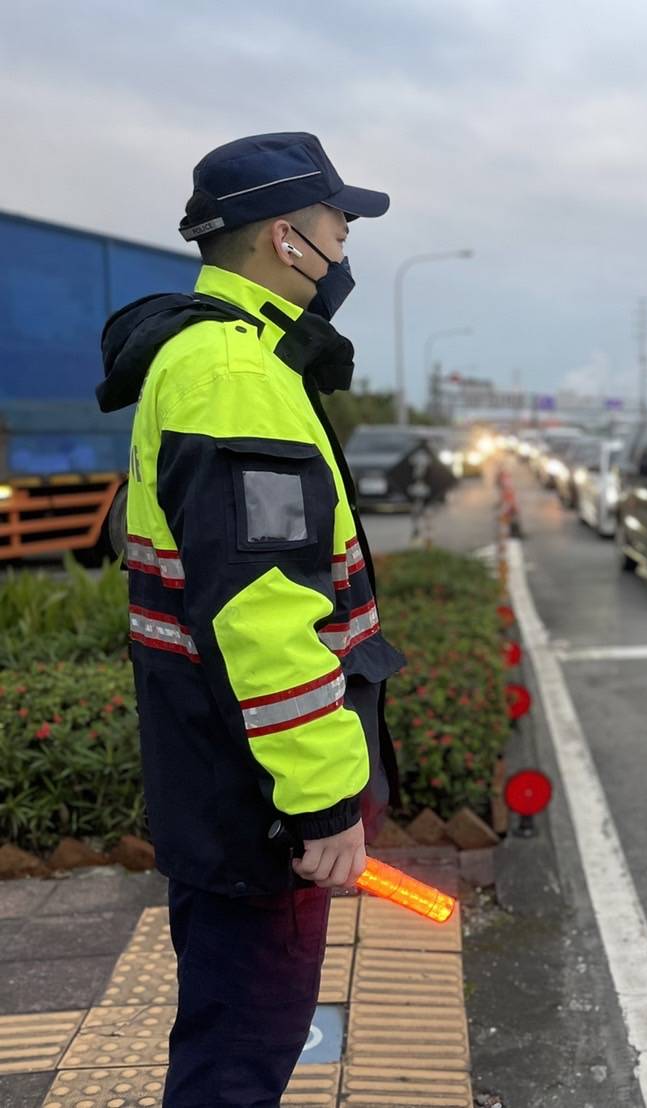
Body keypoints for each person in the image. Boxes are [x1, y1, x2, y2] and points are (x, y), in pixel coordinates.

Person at [97, 132, 404, 1104]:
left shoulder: (212, 358)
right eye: (338, 223)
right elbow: (265, 611)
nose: (347, 241)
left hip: (221, 777)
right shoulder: (237, 377)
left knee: (234, 1041)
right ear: (286, 237)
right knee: (239, 1062)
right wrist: (317, 801)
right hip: (255, 806)